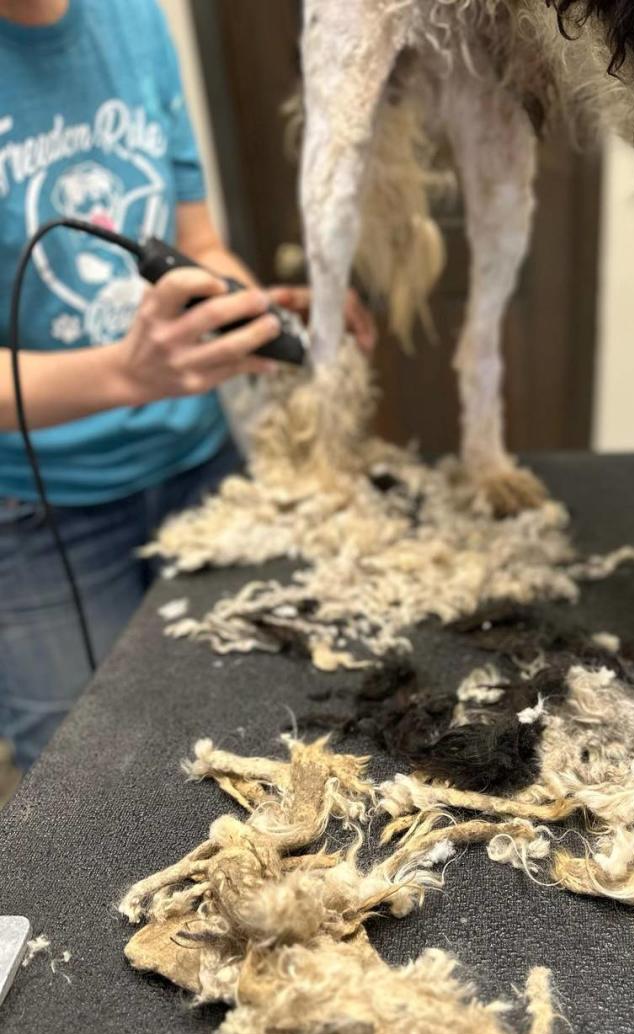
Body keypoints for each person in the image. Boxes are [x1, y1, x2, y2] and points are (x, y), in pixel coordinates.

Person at [0, 0, 376, 771]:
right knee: (81, 778)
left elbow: (199, 245)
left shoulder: (132, 17)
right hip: (43, 511)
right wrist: (123, 375)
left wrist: (254, 316)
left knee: (254, 728)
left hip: (200, 467)